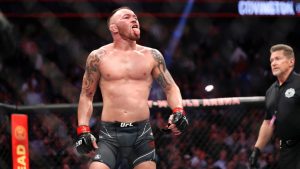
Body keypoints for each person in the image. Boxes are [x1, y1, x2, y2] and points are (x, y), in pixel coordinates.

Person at [74, 6, 188, 169]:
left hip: (141, 133)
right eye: (127, 17)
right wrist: (83, 129)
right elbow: (86, 95)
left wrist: (178, 110)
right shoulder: (98, 57)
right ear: (113, 28)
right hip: (109, 133)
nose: (134, 19)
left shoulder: (152, 55)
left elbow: (171, 87)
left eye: (135, 17)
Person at [249, 44, 300, 169]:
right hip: (286, 150)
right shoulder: (271, 91)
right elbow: (268, 123)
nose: (273, 63)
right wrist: (257, 149)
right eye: (271, 60)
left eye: (278, 59)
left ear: (291, 61)